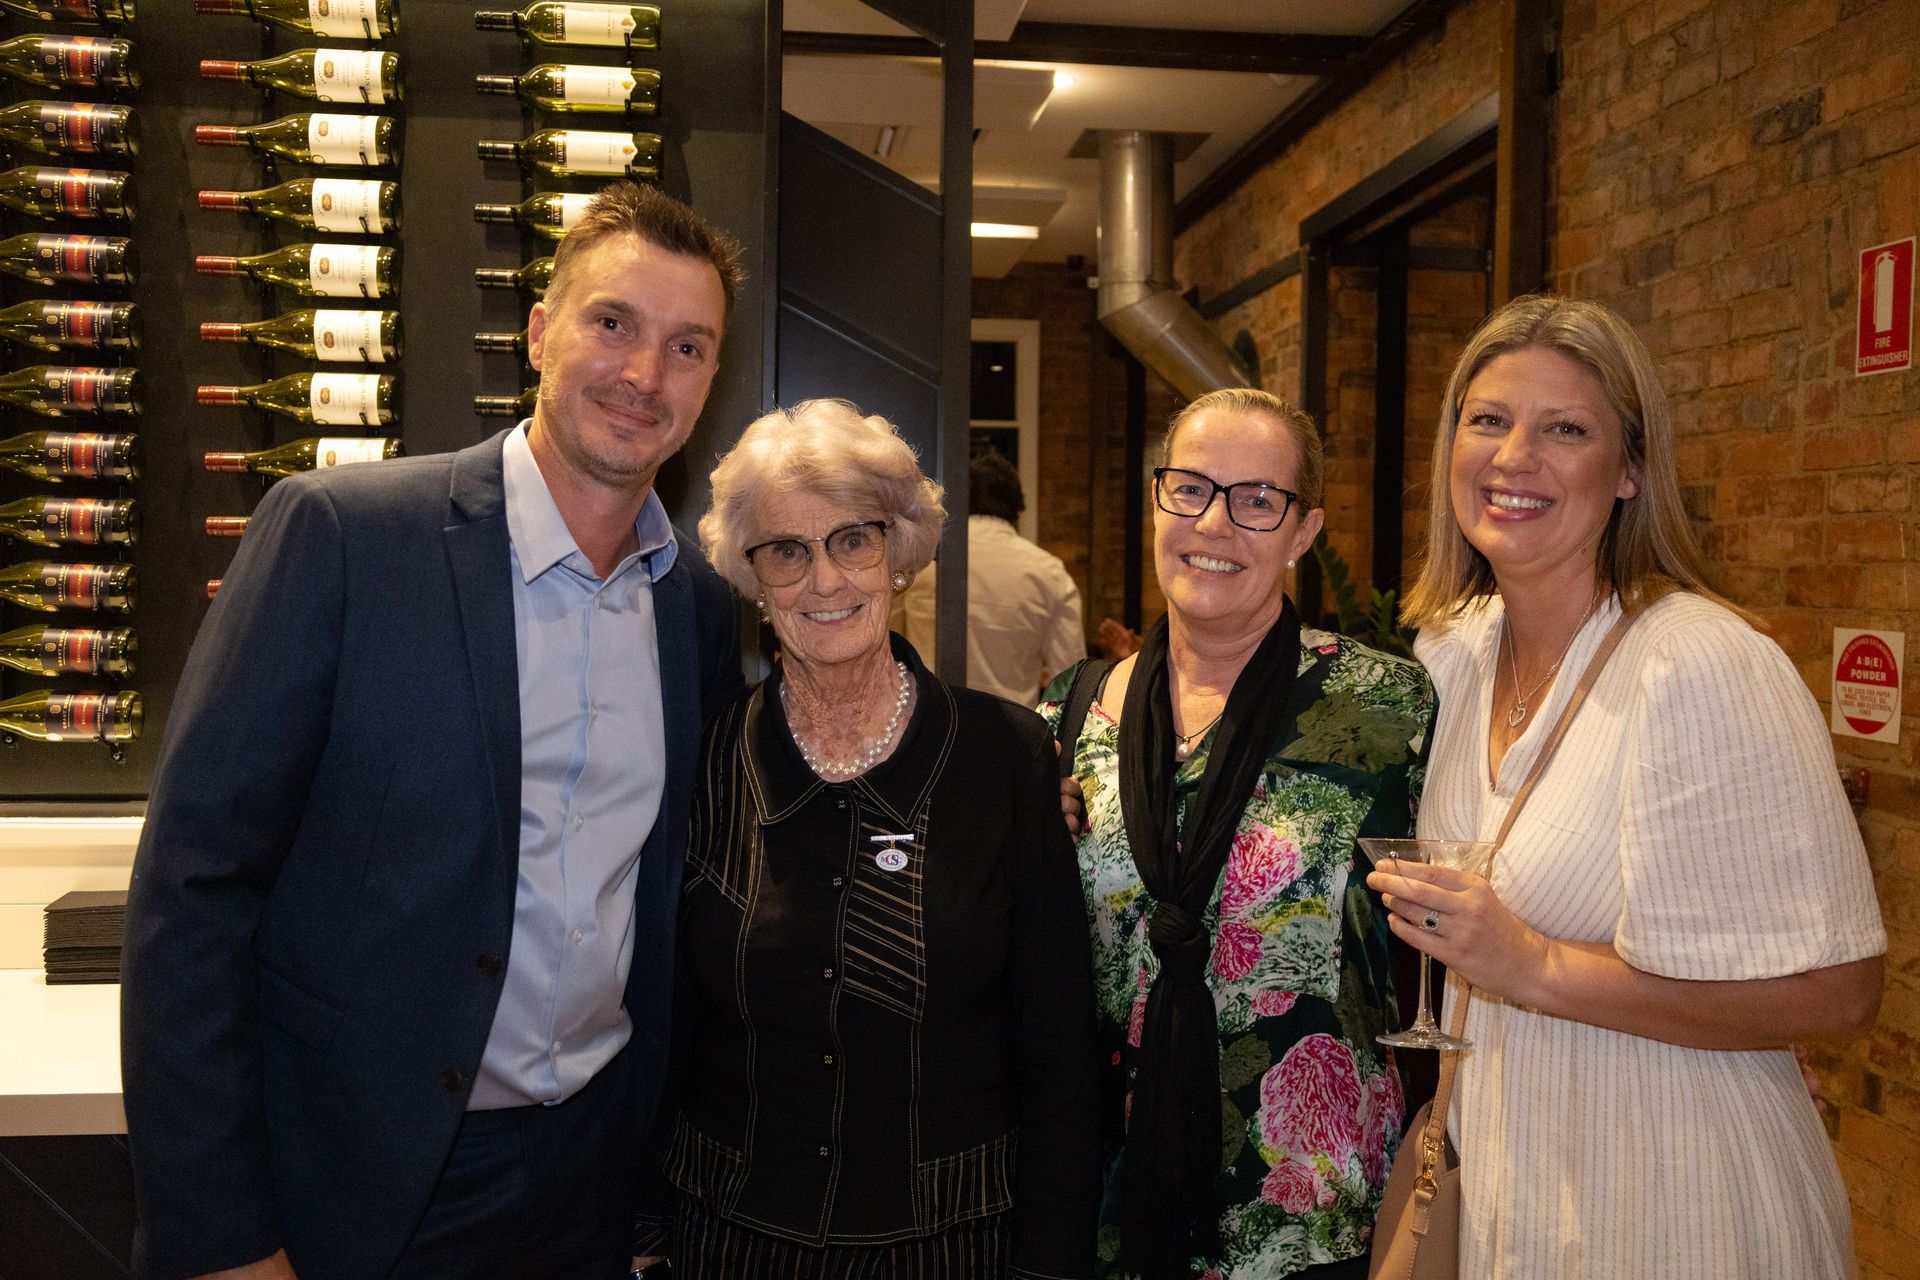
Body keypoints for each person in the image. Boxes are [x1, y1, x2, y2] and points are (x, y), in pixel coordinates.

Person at [120, 182, 747, 1280]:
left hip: (588, 1180)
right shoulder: (344, 537)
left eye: (687, 346)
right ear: (542, 332)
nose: (645, 375)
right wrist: (223, 1234)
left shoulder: (692, 605)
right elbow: (192, 890)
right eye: (614, 324)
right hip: (360, 1183)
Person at [1376, 295, 1885, 1278]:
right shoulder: (1452, 653)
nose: (1513, 456)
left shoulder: (1699, 660)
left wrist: (1527, 961)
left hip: (1671, 1190)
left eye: (1564, 428)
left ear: (1631, 471)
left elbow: (1841, 989)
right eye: (1487, 419)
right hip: (1507, 1181)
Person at [662, 398, 1100, 1278]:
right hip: (731, 1240)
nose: (824, 581)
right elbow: (661, 1019)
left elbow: (1059, 1042)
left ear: (898, 555)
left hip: (952, 1245)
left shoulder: (1007, 759)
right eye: (787, 551)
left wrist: (1053, 1262)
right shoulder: (703, 758)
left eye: (852, 540)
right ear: (752, 576)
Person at [1041, 387, 1435, 1280]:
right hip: (1104, 1196)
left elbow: (1487, 897)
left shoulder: (1386, 709)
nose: (1214, 523)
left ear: (1304, 532)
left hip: (1310, 1214)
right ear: (1158, 502)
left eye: (1258, 500)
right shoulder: (1067, 715)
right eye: (1190, 488)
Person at [896, 450, 1085, 702]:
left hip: (928, 724)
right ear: (1017, 507)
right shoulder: (1050, 574)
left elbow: (887, 646)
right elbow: (1069, 682)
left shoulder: (921, 563)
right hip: (1013, 732)